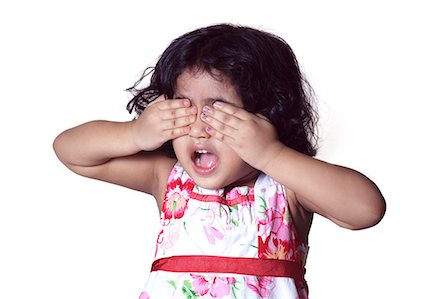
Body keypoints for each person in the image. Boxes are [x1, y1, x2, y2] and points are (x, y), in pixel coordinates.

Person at [53, 23, 385, 299]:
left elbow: (365, 210)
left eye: (218, 112)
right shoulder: (169, 180)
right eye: (182, 109)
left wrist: (271, 153)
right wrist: (135, 134)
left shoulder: (285, 188)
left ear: (266, 115)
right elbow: (72, 153)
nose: (197, 127)